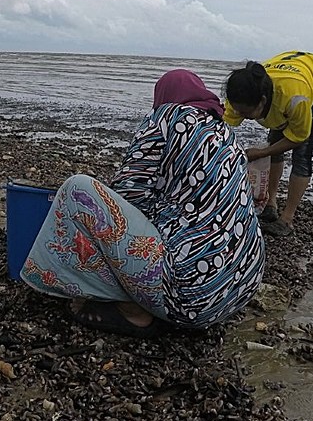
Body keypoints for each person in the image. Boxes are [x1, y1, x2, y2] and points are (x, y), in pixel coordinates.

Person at [20, 69, 265, 335]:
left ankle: (133, 309)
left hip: (186, 296)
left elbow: (130, 193)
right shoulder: (226, 135)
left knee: (77, 189)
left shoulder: (167, 116)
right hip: (240, 287)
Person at [223, 52, 313, 237]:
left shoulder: (296, 98)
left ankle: (287, 220)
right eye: (237, 110)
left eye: (246, 114)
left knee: (302, 154)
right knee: (275, 140)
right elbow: (223, 125)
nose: (240, 115)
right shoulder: (241, 92)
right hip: (292, 79)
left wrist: (261, 153)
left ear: (262, 101)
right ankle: (270, 204)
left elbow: (298, 137)